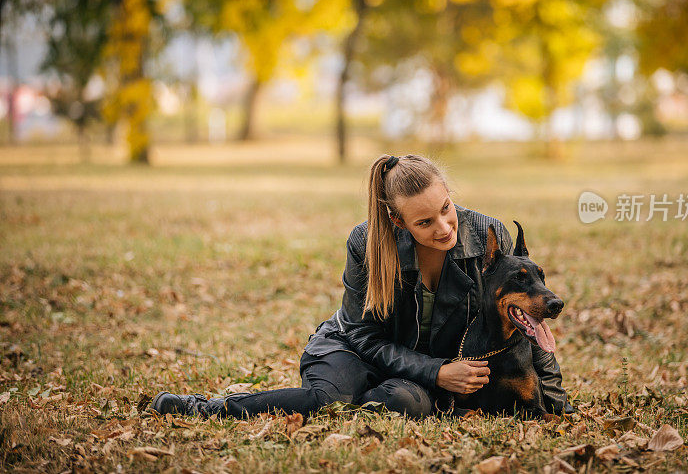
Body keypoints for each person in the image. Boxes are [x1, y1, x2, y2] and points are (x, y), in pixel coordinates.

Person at [151, 154, 573, 419]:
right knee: (328, 400)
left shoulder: (486, 235)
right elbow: (360, 333)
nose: (444, 227)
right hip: (353, 347)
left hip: (416, 369)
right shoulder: (366, 244)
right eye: (424, 222)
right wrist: (435, 371)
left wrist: (557, 401)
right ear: (397, 221)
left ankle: (368, 397)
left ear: (450, 194)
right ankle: (203, 407)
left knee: (411, 406)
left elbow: (525, 322)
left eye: (446, 209)